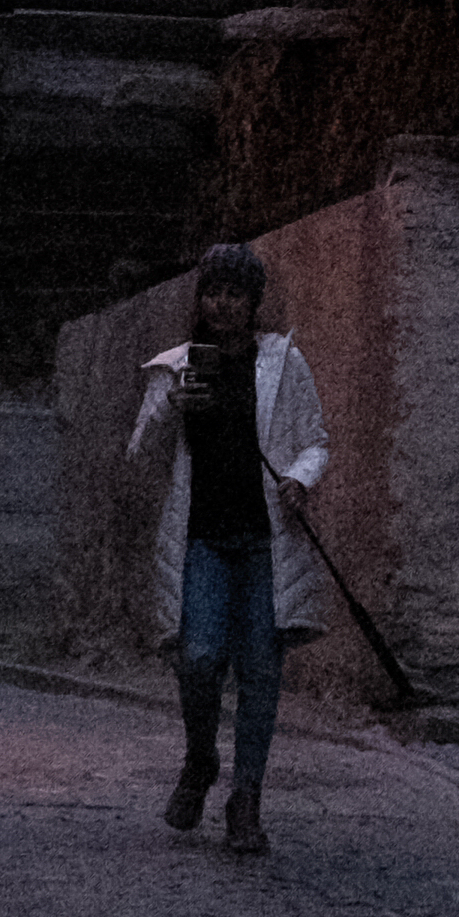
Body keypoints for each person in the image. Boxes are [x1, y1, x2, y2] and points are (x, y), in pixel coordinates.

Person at [122, 243, 330, 854]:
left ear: (254, 301)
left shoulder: (283, 364)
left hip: (264, 539)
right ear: (201, 298)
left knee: (262, 671)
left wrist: (298, 478)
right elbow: (140, 453)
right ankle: (199, 758)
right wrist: (170, 412)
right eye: (214, 292)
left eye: (236, 294)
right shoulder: (174, 367)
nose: (223, 304)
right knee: (200, 656)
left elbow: (315, 441)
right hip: (203, 539)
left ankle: (247, 799)